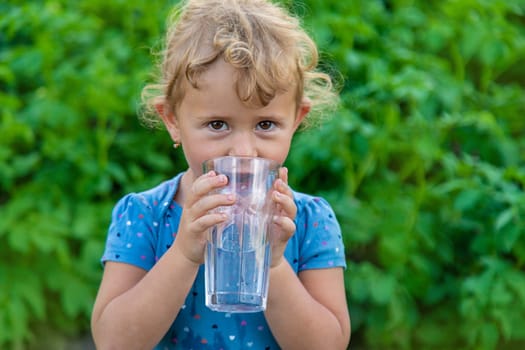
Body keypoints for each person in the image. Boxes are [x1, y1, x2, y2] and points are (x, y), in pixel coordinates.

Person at [90, 0, 351, 349]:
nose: (243, 151)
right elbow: (113, 341)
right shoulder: (145, 216)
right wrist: (183, 253)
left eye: (266, 124)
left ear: (296, 121)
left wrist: (271, 262)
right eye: (217, 124)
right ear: (172, 120)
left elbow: (327, 345)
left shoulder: (309, 222)